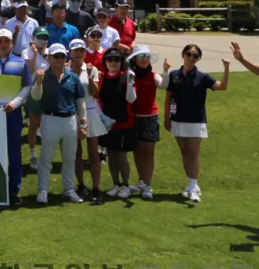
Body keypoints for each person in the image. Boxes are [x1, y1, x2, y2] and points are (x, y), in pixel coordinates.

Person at [164, 43, 229, 203]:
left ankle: (193, 188)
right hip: (178, 119)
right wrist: (166, 117)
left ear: (198, 59)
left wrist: (226, 69)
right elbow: (168, 97)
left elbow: (222, 87)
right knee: (185, 153)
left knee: (193, 154)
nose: (191, 58)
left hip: (196, 121)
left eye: (195, 55)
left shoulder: (203, 77)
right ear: (183, 55)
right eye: (189, 54)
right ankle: (191, 184)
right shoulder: (174, 75)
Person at [30, 43, 88, 204]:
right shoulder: (42, 75)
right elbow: (35, 96)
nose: (59, 60)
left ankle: (69, 190)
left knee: (69, 158)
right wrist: (39, 82)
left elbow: (80, 102)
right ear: (49, 58)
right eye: (56, 56)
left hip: (70, 120)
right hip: (50, 119)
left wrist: (83, 124)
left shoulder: (73, 78)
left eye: (62, 56)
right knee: (46, 159)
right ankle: (42, 191)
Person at [0, 29, 32, 206]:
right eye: (0, 41)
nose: (3, 44)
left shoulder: (20, 63)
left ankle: (13, 190)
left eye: (6, 41)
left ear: (11, 43)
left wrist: (15, 103)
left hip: (12, 113)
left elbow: (27, 86)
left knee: (13, 152)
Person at [127, 44, 170, 201]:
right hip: (135, 117)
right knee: (137, 151)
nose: (144, 59)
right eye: (141, 56)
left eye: (146, 56)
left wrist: (166, 71)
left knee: (149, 152)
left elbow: (164, 85)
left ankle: (148, 184)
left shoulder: (153, 75)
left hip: (150, 117)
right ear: (135, 59)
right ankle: (141, 181)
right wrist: (130, 81)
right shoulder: (130, 76)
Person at [94, 47, 137, 200]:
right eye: (110, 60)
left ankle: (125, 185)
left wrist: (131, 84)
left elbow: (131, 99)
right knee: (111, 154)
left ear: (121, 62)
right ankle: (116, 184)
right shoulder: (102, 78)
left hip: (124, 122)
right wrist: (103, 117)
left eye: (116, 60)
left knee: (121, 155)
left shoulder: (127, 77)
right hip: (107, 123)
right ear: (105, 62)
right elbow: (97, 99)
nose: (113, 63)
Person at [66, 39, 104, 202]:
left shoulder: (92, 69)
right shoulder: (65, 69)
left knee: (93, 152)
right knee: (77, 153)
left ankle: (96, 188)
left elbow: (95, 92)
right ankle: (81, 184)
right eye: (76, 51)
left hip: (90, 111)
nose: (79, 53)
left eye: (81, 50)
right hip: (72, 112)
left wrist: (89, 77)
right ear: (70, 52)